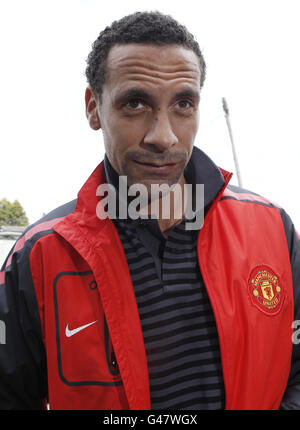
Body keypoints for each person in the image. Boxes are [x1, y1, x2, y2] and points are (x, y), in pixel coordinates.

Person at [0, 11, 300, 411]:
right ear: (93, 108)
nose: (164, 136)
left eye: (183, 103)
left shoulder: (273, 230)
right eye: (136, 103)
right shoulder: (38, 257)